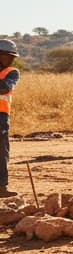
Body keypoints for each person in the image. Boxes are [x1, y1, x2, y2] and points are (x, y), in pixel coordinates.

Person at [0, 39, 20, 198]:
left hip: (1, 117)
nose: (11, 60)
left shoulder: (12, 72)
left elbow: (4, 88)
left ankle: (1, 187)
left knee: (1, 151)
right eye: (8, 56)